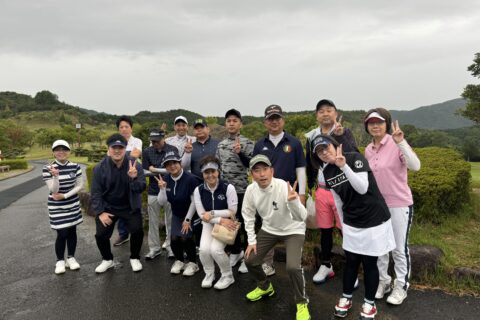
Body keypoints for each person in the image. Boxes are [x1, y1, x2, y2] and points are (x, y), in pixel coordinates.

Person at [310, 134, 395, 320]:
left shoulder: (355, 158)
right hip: (352, 222)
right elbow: (339, 201)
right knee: (351, 262)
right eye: (319, 151)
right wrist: (344, 226)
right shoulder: (327, 172)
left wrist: (343, 166)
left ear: (334, 145)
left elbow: (362, 187)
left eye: (326, 147)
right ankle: (346, 298)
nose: (324, 152)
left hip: (374, 219)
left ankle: (369, 304)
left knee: (370, 263)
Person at [243, 155, 311, 320]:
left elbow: (302, 217)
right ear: (252, 174)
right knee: (250, 260)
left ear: (271, 171)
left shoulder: (283, 186)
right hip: (270, 228)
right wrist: (251, 241)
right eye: (257, 171)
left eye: (265, 169)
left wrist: (294, 202)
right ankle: (265, 286)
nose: (262, 174)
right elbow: (248, 215)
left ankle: (302, 302)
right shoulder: (251, 190)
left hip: (293, 229)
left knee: (293, 267)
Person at [364, 108, 421, 305]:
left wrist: (401, 142)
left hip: (399, 203)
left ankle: (401, 286)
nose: (375, 125)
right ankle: (384, 281)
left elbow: (415, 166)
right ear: (367, 126)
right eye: (371, 122)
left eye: (379, 122)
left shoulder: (396, 144)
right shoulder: (368, 150)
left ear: (386, 124)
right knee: (380, 248)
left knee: (398, 247)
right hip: (378, 206)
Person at [305, 99, 359, 284]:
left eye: (329, 110)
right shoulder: (312, 136)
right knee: (325, 230)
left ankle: (353, 268)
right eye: (321, 111)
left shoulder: (344, 132)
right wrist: (311, 186)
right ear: (317, 116)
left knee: (346, 230)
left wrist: (342, 137)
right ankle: (326, 264)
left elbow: (354, 155)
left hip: (341, 190)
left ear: (335, 113)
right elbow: (309, 162)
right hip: (321, 191)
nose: (325, 113)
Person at [253, 104, 307, 276]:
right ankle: (267, 262)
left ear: (283, 120)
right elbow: (255, 170)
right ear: (265, 122)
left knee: (295, 224)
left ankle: (296, 261)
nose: (274, 122)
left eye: (277, 118)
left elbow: (301, 170)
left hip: (289, 193)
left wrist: (302, 194)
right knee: (267, 225)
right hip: (266, 192)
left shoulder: (294, 143)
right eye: (270, 119)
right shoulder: (260, 144)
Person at [91, 134, 146, 273]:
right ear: (108, 149)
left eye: (120, 147)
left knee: (137, 230)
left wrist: (133, 179)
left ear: (125, 148)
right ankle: (107, 259)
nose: (117, 151)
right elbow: (96, 193)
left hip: (129, 206)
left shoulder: (134, 164)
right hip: (109, 207)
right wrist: (100, 212)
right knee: (101, 235)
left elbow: (141, 187)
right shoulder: (100, 167)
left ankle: (134, 257)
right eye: (113, 147)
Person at [216, 108, 254, 273]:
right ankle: (236, 251)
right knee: (231, 221)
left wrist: (240, 153)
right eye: (229, 121)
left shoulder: (248, 143)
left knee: (245, 223)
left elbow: (252, 166)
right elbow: (218, 167)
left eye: (235, 121)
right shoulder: (221, 144)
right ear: (226, 124)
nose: (231, 123)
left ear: (240, 124)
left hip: (242, 189)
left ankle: (247, 257)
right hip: (226, 190)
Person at [194, 155, 238, 289]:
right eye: (206, 172)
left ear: (218, 171)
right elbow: (202, 214)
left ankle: (227, 276)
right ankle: (209, 274)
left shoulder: (228, 187)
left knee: (216, 250)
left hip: (227, 224)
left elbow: (232, 211)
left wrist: (213, 213)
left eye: (213, 171)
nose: (210, 175)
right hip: (211, 223)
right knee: (204, 250)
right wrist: (219, 219)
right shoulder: (199, 190)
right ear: (202, 174)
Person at [157, 150, 202, 276]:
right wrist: (162, 189)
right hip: (177, 213)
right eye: (168, 164)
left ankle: (193, 263)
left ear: (180, 163)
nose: (172, 166)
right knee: (174, 239)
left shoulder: (190, 179)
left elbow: (194, 202)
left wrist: (187, 219)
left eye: (175, 163)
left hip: (192, 214)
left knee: (185, 237)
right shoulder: (166, 179)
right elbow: (162, 202)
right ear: (165, 167)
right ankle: (179, 260)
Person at [42, 140, 83, 275]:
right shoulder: (48, 168)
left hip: (72, 203)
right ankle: (60, 260)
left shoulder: (75, 166)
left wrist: (65, 196)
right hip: (56, 206)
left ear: (69, 152)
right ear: (53, 152)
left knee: (72, 231)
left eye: (64, 149)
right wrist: (56, 176)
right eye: (57, 149)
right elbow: (54, 190)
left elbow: (79, 186)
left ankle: (71, 257)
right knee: (62, 233)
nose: (61, 152)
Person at [183, 118, 220, 248]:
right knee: (200, 217)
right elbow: (184, 166)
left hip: (216, 186)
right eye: (196, 128)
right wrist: (187, 152)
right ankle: (200, 245)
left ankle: (219, 245)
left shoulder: (217, 143)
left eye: (202, 127)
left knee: (216, 213)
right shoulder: (190, 145)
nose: (199, 130)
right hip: (198, 187)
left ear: (208, 129)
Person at [142, 129, 178, 260]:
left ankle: (170, 247)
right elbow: (145, 171)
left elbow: (174, 170)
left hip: (170, 190)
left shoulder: (172, 149)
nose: (155, 143)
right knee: (153, 221)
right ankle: (154, 248)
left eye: (157, 140)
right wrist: (162, 171)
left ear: (164, 138)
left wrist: (155, 169)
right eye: (153, 141)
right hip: (153, 190)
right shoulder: (147, 151)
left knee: (170, 220)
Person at [113, 116, 143, 247]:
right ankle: (123, 234)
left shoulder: (137, 141)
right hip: (119, 178)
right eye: (121, 127)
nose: (124, 129)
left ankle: (135, 232)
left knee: (134, 204)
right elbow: (110, 157)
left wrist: (119, 157)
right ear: (118, 129)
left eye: (126, 126)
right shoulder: (114, 141)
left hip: (134, 176)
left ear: (131, 128)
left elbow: (136, 155)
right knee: (120, 204)